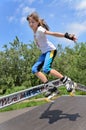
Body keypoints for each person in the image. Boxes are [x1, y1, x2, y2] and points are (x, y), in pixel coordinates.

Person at [26, 12, 77, 97]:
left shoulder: (40, 29)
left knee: (46, 69)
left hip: (51, 50)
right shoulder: (34, 33)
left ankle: (67, 80)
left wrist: (67, 35)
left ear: (37, 22)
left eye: (33, 22)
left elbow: (53, 33)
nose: (31, 24)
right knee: (34, 69)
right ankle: (51, 87)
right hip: (44, 53)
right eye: (29, 22)